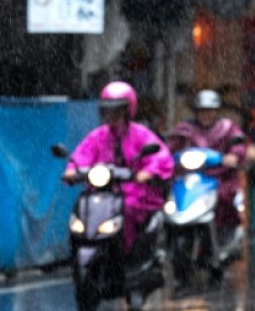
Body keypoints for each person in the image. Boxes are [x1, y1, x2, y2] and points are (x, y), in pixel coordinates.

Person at [62, 81, 174, 253]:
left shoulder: (141, 134)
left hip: (135, 192)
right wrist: (72, 170)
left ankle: (124, 253)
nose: (112, 115)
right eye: (108, 110)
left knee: (126, 209)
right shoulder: (98, 136)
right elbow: (82, 155)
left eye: (117, 110)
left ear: (128, 110)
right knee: (83, 208)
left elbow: (160, 155)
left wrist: (147, 172)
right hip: (102, 193)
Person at [167, 89, 247, 243]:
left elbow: (238, 145)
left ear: (217, 112)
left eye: (210, 111)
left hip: (219, 177)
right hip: (190, 178)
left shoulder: (227, 128)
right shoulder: (185, 129)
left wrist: (233, 155)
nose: (206, 115)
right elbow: (171, 147)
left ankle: (224, 237)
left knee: (225, 200)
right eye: (202, 111)